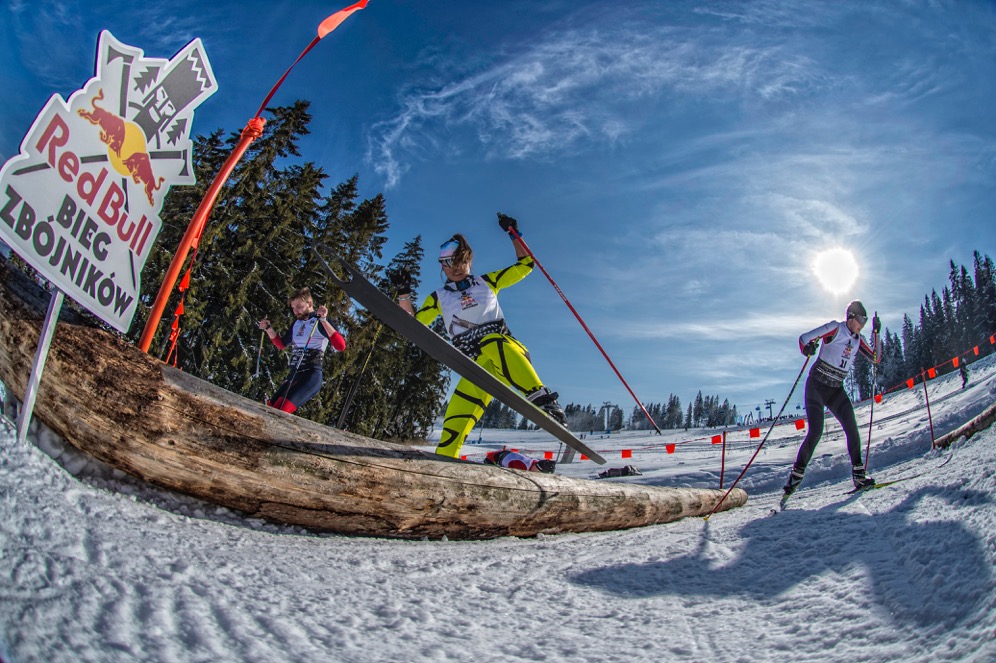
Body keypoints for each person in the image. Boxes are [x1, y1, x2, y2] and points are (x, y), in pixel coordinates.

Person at [395, 213, 567, 460]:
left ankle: (541, 397)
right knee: (455, 418)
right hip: (476, 367)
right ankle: (445, 461)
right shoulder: (439, 298)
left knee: (490, 342)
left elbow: (526, 265)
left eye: (460, 262)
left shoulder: (486, 282)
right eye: (448, 263)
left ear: (469, 261)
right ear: (441, 265)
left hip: (508, 353)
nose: (455, 268)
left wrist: (513, 234)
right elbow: (414, 324)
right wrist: (403, 294)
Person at [784, 300, 883, 497]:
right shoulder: (835, 328)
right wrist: (807, 349)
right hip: (816, 386)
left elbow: (876, 359)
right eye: (861, 320)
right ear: (851, 317)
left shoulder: (858, 339)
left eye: (865, 321)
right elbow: (804, 339)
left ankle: (859, 476)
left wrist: (876, 333)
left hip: (836, 388)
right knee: (816, 432)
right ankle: (795, 477)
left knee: (852, 429)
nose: (862, 325)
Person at [258, 287, 346, 414]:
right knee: (270, 407)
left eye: (298, 307)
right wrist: (268, 328)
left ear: (309, 303)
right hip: (295, 374)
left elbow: (341, 346)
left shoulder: (319, 321)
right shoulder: (297, 324)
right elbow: (282, 344)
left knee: (279, 411)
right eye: (293, 308)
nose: (295, 311)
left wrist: (324, 320)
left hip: (310, 376)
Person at [484, 448, 556, 473]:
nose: (536, 473)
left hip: (504, 454)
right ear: (537, 467)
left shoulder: (535, 462)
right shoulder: (521, 466)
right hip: (492, 459)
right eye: (538, 472)